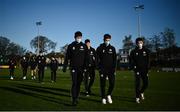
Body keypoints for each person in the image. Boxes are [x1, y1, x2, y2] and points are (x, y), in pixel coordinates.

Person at [63, 31, 88, 106]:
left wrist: (85, 67)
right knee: (74, 83)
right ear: (75, 37)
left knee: (79, 84)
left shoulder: (84, 46)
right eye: (77, 37)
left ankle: (76, 97)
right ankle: (73, 99)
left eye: (80, 37)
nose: (79, 38)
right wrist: (65, 66)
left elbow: (86, 58)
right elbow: (67, 57)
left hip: (81, 68)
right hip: (73, 68)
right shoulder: (71, 46)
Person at [96, 34, 117, 104]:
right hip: (102, 69)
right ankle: (103, 98)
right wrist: (98, 68)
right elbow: (96, 59)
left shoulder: (113, 48)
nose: (107, 41)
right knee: (103, 84)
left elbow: (115, 60)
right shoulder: (99, 48)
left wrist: (114, 69)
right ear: (104, 40)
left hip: (111, 69)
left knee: (112, 83)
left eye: (108, 40)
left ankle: (108, 95)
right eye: (106, 40)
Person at [129, 37, 150, 104]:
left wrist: (147, 69)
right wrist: (133, 68)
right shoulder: (133, 51)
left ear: (143, 43)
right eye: (139, 43)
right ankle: (137, 97)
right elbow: (131, 61)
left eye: (141, 43)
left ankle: (141, 92)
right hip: (137, 70)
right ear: (136, 44)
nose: (140, 44)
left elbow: (148, 61)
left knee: (146, 83)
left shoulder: (146, 51)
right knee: (137, 84)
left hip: (144, 70)